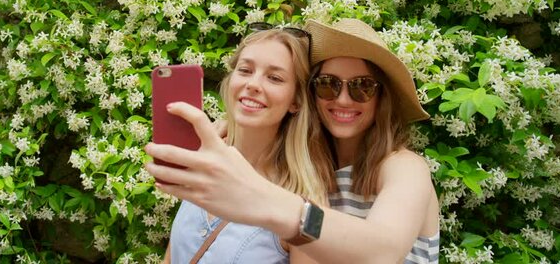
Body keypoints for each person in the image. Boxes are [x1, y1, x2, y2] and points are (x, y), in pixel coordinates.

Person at [146, 18, 440, 263]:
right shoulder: (312, 166)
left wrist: (263, 199)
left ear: (382, 97)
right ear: (308, 96)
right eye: (328, 85)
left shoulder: (403, 167)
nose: (343, 99)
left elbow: (384, 250)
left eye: (362, 86)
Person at [161, 25, 334, 263]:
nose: (253, 84)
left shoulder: (306, 201)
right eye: (245, 70)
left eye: (274, 77)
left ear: (296, 101)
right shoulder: (203, 159)